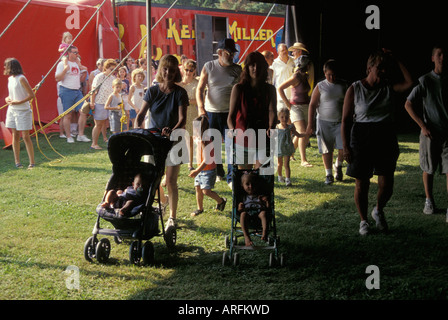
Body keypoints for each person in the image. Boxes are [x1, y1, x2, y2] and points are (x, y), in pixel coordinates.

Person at [341, 49, 412, 235]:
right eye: (379, 68)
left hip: (385, 134)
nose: (383, 71)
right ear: (369, 68)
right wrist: (345, 146)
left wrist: (395, 58)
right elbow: (346, 120)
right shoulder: (355, 88)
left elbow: (409, 83)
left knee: (387, 183)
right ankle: (363, 220)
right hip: (362, 135)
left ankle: (378, 210)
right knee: (361, 183)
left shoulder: (388, 87)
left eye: (385, 68)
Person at [136, 54, 189, 231]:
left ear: (176, 73)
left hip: (175, 139)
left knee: (172, 181)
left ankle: (172, 217)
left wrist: (171, 132)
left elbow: (182, 119)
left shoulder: (180, 93)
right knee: (152, 178)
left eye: (172, 70)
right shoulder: (152, 91)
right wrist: (138, 131)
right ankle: (162, 202)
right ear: (160, 70)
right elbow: (141, 115)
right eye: (165, 69)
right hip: (153, 139)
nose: (168, 73)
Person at [405, 45, 448, 217]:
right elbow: (408, 104)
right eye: (439, 54)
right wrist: (423, 126)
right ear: (433, 58)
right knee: (429, 168)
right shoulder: (425, 81)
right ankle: (429, 201)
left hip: (447, 134)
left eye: (444, 54)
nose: (442, 57)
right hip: (430, 134)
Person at [197, 38, 242, 185]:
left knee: (231, 146)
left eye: (233, 53)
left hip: (230, 113)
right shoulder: (209, 66)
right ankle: (219, 171)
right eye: (229, 53)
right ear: (220, 52)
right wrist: (201, 108)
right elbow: (200, 89)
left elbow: (241, 90)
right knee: (214, 145)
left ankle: (231, 178)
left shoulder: (237, 69)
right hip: (211, 113)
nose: (231, 56)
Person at [227, 51, 277, 170]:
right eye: (252, 65)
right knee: (245, 178)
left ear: (264, 68)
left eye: (258, 65)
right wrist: (232, 129)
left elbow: (272, 111)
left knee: (262, 176)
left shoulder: (270, 89)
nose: (255, 68)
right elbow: (231, 116)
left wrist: (272, 127)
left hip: (263, 138)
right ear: (247, 68)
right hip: (242, 139)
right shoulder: (238, 88)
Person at [307, 59, 348, 184]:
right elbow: (312, 105)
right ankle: (328, 174)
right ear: (325, 73)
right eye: (329, 74)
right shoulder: (320, 86)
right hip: (324, 121)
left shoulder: (344, 85)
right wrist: (310, 124)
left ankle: (338, 165)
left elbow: (349, 103)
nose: (332, 77)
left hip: (340, 122)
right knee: (326, 149)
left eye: (334, 74)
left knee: (343, 148)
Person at [278, 55, 313, 167]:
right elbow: (280, 88)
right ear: (306, 65)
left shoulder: (305, 76)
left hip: (305, 107)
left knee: (300, 133)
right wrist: (288, 105)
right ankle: (303, 160)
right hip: (296, 107)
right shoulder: (296, 77)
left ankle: (290, 153)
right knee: (302, 131)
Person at [188, 115, 227, 216]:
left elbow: (207, 159)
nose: (193, 130)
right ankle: (199, 209)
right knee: (197, 188)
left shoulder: (205, 140)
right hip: (200, 168)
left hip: (208, 169)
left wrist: (196, 170)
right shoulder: (198, 138)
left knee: (206, 191)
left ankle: (221, 201)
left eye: (195, 128)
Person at [3, 58, 36, 169]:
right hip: (12, 110)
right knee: (15, 135)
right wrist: (7, 99)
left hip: (23, 111)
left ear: (11, 67)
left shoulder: (21, 78)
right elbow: (11, 95)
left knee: (26, 136)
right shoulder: (10, 79)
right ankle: (17, 162)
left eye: (5, 66)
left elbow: (31, 95)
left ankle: (32, 163)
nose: (4, 68)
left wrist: (19, 102)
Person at [54, 46, 90, 143]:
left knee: (83, 111)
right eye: (74, 52)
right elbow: (57, 78)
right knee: (68, 115)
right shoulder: (62, 64)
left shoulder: (77, 64)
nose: (76, 54)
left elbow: (80, 80)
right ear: (68, 53)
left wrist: (84, 72)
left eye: (77, 52)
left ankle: (80, 135)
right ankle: (69, 136)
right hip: (66, 90)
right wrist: (65, 69)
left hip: (77, 90)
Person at [90, 58, 118, 149]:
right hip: (100, 103)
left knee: (105, 124)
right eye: (111, 69)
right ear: (106, 68)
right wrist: (92, 102)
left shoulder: (113, 78)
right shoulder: (99, 77)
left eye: (114, 69)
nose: (113, 71)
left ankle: (105, 140)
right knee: (98, 124)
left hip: (109, 104)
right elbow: (93, 91)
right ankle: (94, 144)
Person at [177, 59, 199, 170]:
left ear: (194, 71)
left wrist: (186, 101)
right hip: (179, 113)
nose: (188, 72)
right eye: (186, 69)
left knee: (190, 139)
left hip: (191, 113)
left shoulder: (197, 83)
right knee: (178, 139)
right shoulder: (178, 83)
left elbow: (200, 100)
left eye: (191, 70)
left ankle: (190, 164)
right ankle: (177, 162)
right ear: (183, 69)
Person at [238, 172, 269, 246]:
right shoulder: (243, 197)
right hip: (248, 212)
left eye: (253, 184)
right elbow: (239, 210)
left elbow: (268, 208)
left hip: (259, 212)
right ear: (242, 185)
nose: (251, 186)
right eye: (247, 184)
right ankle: (246, 237)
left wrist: (266, 201)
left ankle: (264, 232)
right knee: (242, 214)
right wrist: (240, 207)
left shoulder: (260, 196)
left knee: (264, 213)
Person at [276, 108, 305, 186]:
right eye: (282, 117)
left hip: (287, 148)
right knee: (279, 163)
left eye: (286, 117)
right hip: (279, 148)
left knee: (286, 164)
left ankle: (288, 180)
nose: (284, 119)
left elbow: (298, 134)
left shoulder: (290, 127)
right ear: (278, 117)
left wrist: (306, 134)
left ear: (289, 117)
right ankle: (280, 176)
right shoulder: (277, 127)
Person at [271, 43, 295, 111]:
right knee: (283, 118)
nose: (285, 52)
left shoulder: (294, 60)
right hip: (281, 97)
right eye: (282, 50)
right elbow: (272, 81)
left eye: (286, 49)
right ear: (278, 52)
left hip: (293, 96)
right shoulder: (274, 63)